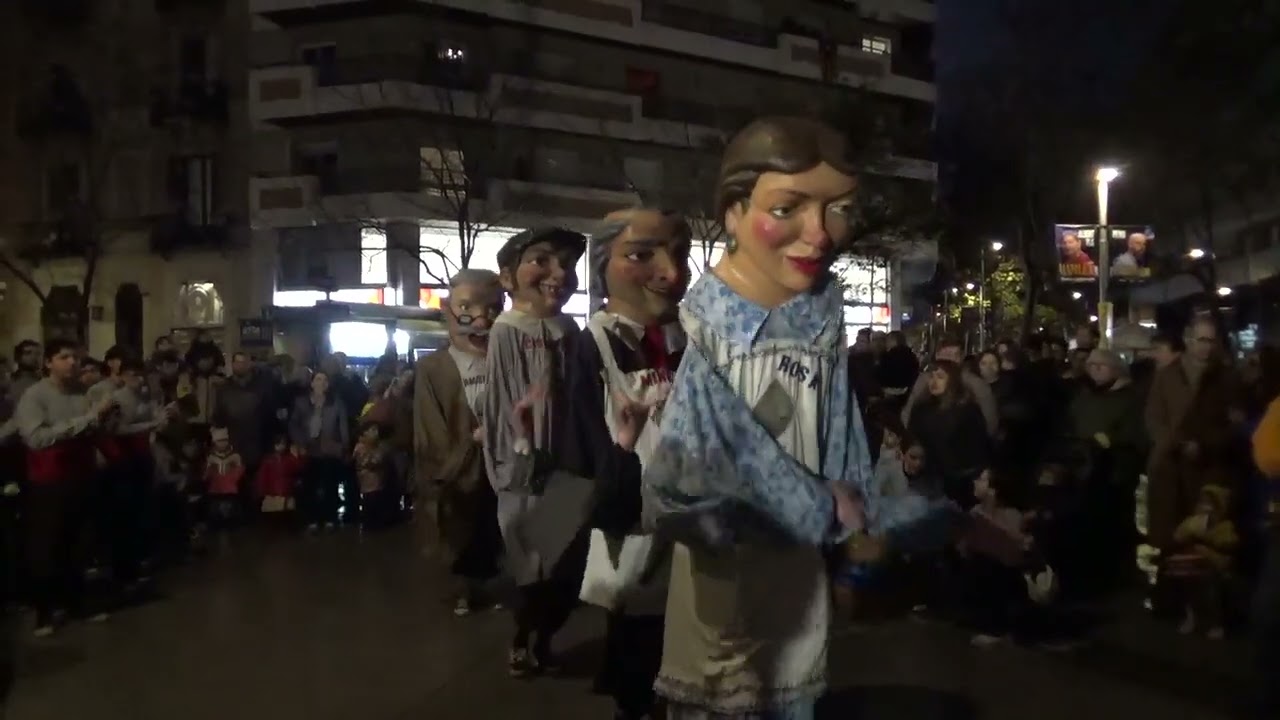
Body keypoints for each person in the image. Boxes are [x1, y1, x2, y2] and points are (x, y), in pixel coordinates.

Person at [640, 117, 942, 719]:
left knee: (793, 674)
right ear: (732, 211)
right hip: (728, 551)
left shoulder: (822, 312)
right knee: (729, 683)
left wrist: (865, 507)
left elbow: (839, 426)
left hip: (801, 556)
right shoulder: (702, 325)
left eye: (838, 210)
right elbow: (689, 469)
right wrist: (820, 499)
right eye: (787, 209)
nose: (820, 234)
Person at [565, 207, 690, 720]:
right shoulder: (589, 346)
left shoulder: (685, 340)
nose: (671, 272)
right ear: (605, 266)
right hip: (634, 518)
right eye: (642, 255)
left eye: (678, 255)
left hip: (688, 513)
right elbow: (582, 444)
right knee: (639, 623)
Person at [481, 226, 588, 677]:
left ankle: (544, 635)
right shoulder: (506, 331)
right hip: (523, 468)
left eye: (566, 264)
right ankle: (523, 639)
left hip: (567, 464)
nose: (557, 274)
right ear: (508, 277)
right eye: (542, 260)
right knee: (529, 563)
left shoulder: (568, 328)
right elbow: (502, 401)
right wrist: (517, 451)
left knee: (561, 563)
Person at [415, 269, 506, 617]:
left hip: (497, 466)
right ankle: (462, 590)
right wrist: (456, 455)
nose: (481, 320)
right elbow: (430, 425)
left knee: (491, 529)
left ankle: (485, 582)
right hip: (458, 467)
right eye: (467, 308)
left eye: (493, 309)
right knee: (458, 529)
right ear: (447, 310)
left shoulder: (504, 361)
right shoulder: (433, 367)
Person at [15, 339, 116, 635]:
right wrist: (87, 420)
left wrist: (103, 420)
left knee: (80, 541)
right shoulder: (34, 396)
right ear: (48, 363)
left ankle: (76, 602)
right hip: (50, 481)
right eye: (63, 357)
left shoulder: (81, 393)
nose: (72, 362)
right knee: (47, 545)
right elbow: (36, 438)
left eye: (74, 357)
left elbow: (91, 430)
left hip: (81, 476)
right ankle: (45, 611)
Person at [289, 370, 349, 532]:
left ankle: (330, 517)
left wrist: (343, 446)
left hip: (330, 450)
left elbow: (342, 426)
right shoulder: (302, 403)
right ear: (312, 382)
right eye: (318, 379)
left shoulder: (336, 403)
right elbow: (294, 424)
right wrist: (300, 442)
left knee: (330, 485)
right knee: (310, 486)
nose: (321, 383)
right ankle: (312, 519)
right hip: (309, 449)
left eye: (324, 380)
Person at [901, 337, 998, 437]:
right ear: (937, 356)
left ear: (961, 357)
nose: (949, 360)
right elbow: (909, 412)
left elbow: (989, 420)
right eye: (946, 356)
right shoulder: (925, 380)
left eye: (954, 356)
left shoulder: (975, 384)